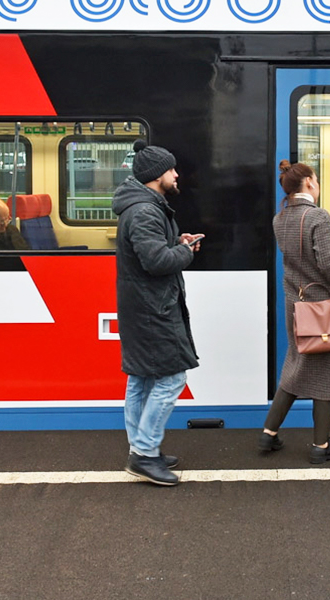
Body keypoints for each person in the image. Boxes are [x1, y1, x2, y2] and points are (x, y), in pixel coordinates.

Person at [112, 139, 203, 486]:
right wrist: (186, 253)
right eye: (171, 169)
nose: (176, 174)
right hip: (153, 309)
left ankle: (141, 448)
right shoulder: (145, 211)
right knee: (172, 378)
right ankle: (145, 454)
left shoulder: (142, 207)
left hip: (143, 305)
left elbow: (153, 251)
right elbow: (156, 261)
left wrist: (177, 242)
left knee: (141, 378)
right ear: (156, 175)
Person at [258, 160, 330, 464]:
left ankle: (269, 433)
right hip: (323, 309)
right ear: (310, 183)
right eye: (316, 179)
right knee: (327, 374)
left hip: (296, 306)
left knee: (296, 365)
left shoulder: (281, 218)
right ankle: (320, 446)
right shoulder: (317, 217)